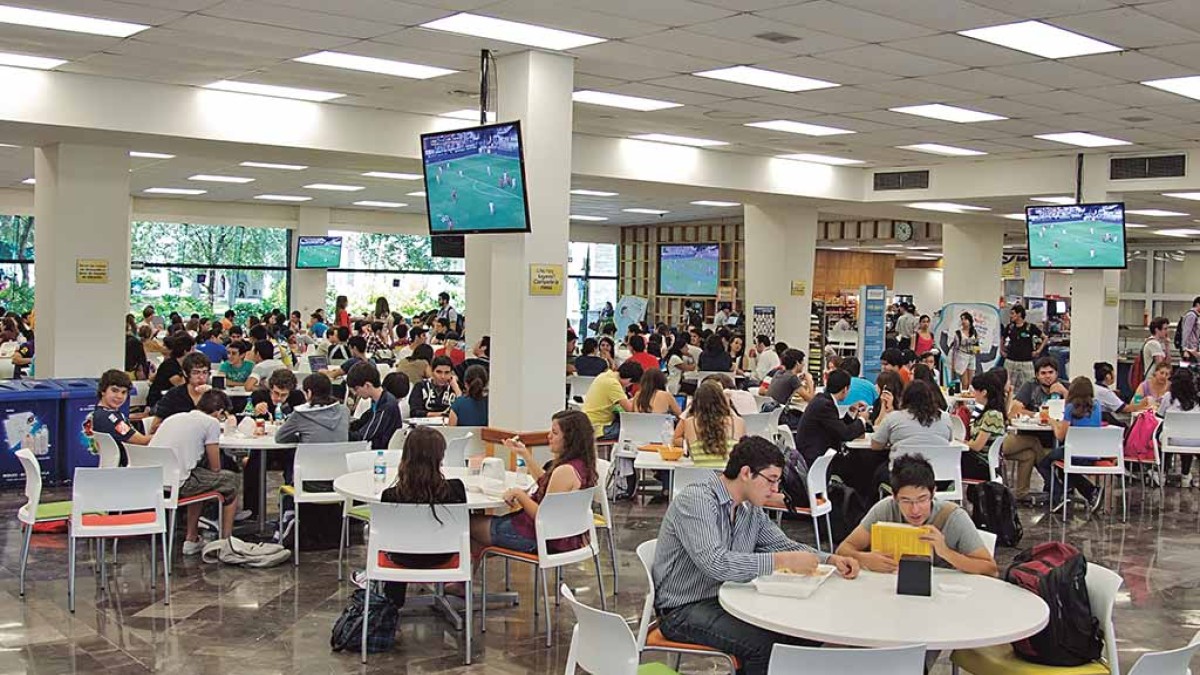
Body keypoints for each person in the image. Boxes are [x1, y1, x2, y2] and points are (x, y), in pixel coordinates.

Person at [652, 436, 859, 675]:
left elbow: (780, 544)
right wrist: (780, 561)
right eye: (771, 480)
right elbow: (716, 563)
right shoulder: (697, 501)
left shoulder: (750, 508)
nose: (775, 490)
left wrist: (829, 559)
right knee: (764, 646)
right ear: (746, 473)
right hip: (682, 608)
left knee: (799, 632)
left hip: (726, 598)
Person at [837, 453, 997, 577]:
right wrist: (864, 558)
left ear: (933, 492)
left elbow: (991, 569)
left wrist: (946, 552)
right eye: (905, 501)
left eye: (922, 499)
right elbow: (843, 550)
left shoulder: (953, 516)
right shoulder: (885, 509)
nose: (915, 510)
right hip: (891, 589)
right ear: (894, 496)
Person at [469, 410, 599, 555]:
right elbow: (548, 484)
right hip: (562, 535)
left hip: (535, 536)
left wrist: (519, 494)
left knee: (466, 526)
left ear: (570, 438)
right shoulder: (581, 465)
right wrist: (525, 454)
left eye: (555, 433)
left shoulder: (565, 471)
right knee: (478, 533)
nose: (549, 436)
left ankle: (465, 575)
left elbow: (543, 516)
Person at [374, 426, 469, 608]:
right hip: (444, 556)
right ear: (440, 457)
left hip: (402, 558)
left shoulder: (391, 496)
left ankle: (391, 607)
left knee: (397, 543)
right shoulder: (455, 489)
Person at [150, 390, 240, 555]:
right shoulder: (211, 423)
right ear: (220, 412)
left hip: (153, 482)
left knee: (199, 477)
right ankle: (226, 542)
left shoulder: (174, 417)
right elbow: (215, 467)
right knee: (232, 481)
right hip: (179, 484)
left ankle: (192, 539)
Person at [1040, 377, 1103, 511]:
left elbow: (1060, 436)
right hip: (1093, 453)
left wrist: (1052, 422)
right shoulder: (1097, 406)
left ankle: (1059, 494)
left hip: (1074, 452)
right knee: (1063, 469)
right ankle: (1091, 492)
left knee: (1044, 463)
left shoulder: (1070, 408)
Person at [796, 369, 867, 465]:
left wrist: (851, 411)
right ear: (845, 389)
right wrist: (862, 420)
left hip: (812, 452)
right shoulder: (825, 405)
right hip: (816, 458)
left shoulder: (822, 399)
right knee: (860, 462)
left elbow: (836, 426)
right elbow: (845, 434)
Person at [90, 369, 153, 466]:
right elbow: (142, 441)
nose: (119, 396)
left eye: (124, 392)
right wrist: (166, 432)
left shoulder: (101, 413)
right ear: (103, 391)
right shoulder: (112, 419)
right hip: (123, 468)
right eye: (114, 391)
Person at [675, 380, 744, 467]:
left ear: (696, 403)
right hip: (728, 478)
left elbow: (682, 445)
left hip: (699, 479)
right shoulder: (738, 423)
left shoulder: (690, 423)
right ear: (722, 400)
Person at [871, 379, 953, 450]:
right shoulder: (945, 417)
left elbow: (876, 446)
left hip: (903, 465)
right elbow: (949, 439)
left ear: (905, 398)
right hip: (939, 466)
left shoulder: (894, 417)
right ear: (931, 398)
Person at [274, 372, 349, 444]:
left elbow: (280, 438)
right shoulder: (344, 411)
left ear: (309, 393)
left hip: (309, 456)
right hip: (339, 456)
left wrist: (301, 438)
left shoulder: (301, 414)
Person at [1157, 370, 1200, 488]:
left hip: (1171, 440)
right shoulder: (1197, 400)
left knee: (1163, 434)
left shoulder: (1168, 397)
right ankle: (1185, 475)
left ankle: (1162, 473)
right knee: (1187, 438)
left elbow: (1159, 416)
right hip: (1196, 441)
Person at [348, 362, 403, 449]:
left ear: (367, 385)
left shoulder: (386, 406)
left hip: (381, 453)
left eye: (356, 389)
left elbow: (364, 435)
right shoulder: (377, 401)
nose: (355, 393)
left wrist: (341, 434)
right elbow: (362, 422)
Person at [581, 360, 642, 439]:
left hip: (588, 422)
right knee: (632, 430)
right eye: (631, 384)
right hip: (599, 428)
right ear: (629, 379)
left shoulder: (604, 375)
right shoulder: (613, 384)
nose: (628, 386)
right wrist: (638, 396)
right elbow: (630, 410)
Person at [153, 352, 213, 426]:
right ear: (185, 373)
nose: (201, 377)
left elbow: (225, 417)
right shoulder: (174, 395)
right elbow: (155, 426)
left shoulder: (213, 395)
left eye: (205, 372)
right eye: (196, 373)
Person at [1001, 304, 1045, 392]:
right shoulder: (1010, 327)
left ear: (1019, 314)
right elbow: (1002, 337)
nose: (1011, 316)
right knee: (1007, 386)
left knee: (1030, 386)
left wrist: (1038, 351)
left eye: (1013, 313)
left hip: (1026, 361)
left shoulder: (1030, 327)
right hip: (1011, 360)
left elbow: (1045, 337)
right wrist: (1001, 350)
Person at [147, 332, 193, 408]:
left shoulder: (179, 364)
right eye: (193, 349)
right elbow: (181, 386)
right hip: (160, 402)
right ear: (185, 351)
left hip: (172, 400)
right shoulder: (170, 365)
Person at [1181, 296, 1200, 366]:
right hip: (1190, 350)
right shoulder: (1191, 316)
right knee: (1187, 370)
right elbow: (1186, 332)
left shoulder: (1195, 316)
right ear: (1197, 304)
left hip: (1193, 349)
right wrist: (1185, 349)